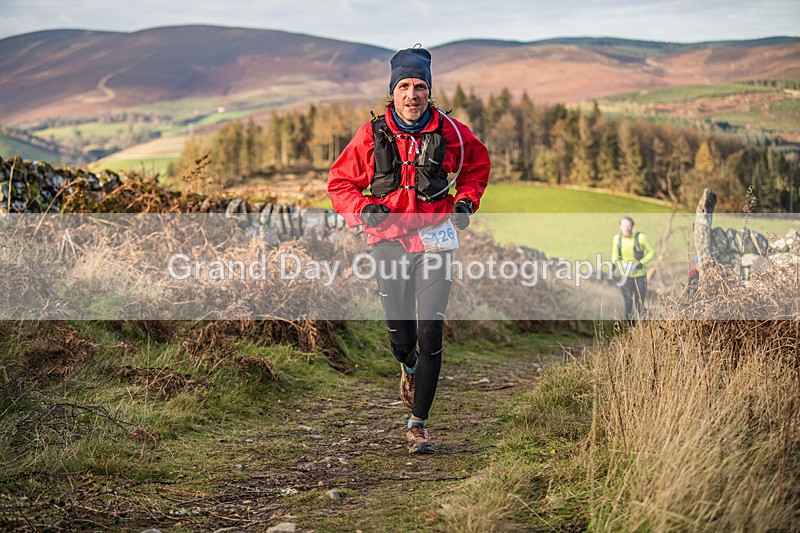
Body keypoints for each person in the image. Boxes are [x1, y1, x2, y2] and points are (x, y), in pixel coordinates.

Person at [328, 46, 490, 453]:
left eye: (419, 86)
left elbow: (477, 166)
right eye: (404, 86)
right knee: (402, 338)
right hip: (388, 239)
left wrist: (465, 201)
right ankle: (409, 364)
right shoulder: (372, 134)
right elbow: (340, 183)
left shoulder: (452, 132)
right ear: (393, 91)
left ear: (429, 91)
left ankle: (418, 424)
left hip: (435, 237)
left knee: (432, 329)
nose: (412, 94)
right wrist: (363, 208)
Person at [611, 216, 655, 321]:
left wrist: (641, 263)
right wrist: (613, 265)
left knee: (639, 304)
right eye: (624, 226)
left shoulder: (640, 238)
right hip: (625, 276)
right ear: (620, 227)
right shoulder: (617, 239)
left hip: (640, 276)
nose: (626, 228)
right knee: (628, 303)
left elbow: (652, 252)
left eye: (628, 226)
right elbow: (615, 255)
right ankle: (630, 328)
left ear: (632, 226)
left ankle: (643, 327)